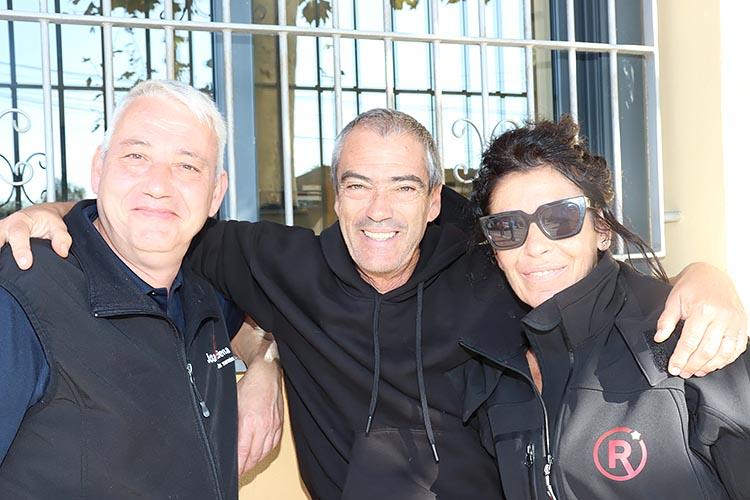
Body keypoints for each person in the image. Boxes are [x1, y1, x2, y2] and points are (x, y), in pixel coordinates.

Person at [1, 105, 746, 499]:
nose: (378, 210)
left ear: (434, 202)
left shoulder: (490, 260)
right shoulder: (279, 265)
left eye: (403, 187)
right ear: (336, 195)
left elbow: (580, 266)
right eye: (358, 185)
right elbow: (153, 215)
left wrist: (706, 276)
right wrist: (46, 215)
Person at [0, 80, 281, 498]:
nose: (158, 185)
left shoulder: (201, 293)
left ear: (215, 194)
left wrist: (265, 367)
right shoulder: (22, 294)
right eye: (137, 156)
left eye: (187, 166)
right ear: (99, 170)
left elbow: (248, 331)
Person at [456, 116, 750, 499]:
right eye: (508, 227)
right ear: (493, 249)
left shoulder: (691, 337)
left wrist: (709, 274)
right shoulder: (494, 369)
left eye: (560, 217)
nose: (535, 246)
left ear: (602, 229)